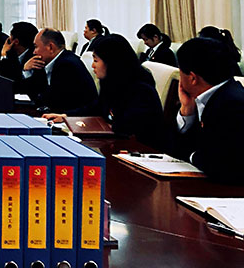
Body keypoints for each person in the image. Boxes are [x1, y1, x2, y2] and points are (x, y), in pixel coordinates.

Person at [43, 34, 166, 148]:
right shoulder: (111, 82)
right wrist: (66, 117)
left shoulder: (141, 90)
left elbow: (126, 128)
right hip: (116, 146)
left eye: (96, 60)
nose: (93, 66)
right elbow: (97, 107)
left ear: (112, 63)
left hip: (141, 151)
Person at [172, 37, 244, 183]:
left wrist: (190, 155)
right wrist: (187, 112)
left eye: (180, 72)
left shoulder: (233, 105)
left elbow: (223, 165)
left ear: (192, 78)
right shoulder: (209, 96)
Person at [21, 28, 99, 115]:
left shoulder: (67, 65)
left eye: (36, 47)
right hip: (62, 114)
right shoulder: (47, 63)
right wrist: (26, 70)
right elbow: (34, 90)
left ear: (50, 47)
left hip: (77, 118)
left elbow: (49, 101)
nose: (34, 52)